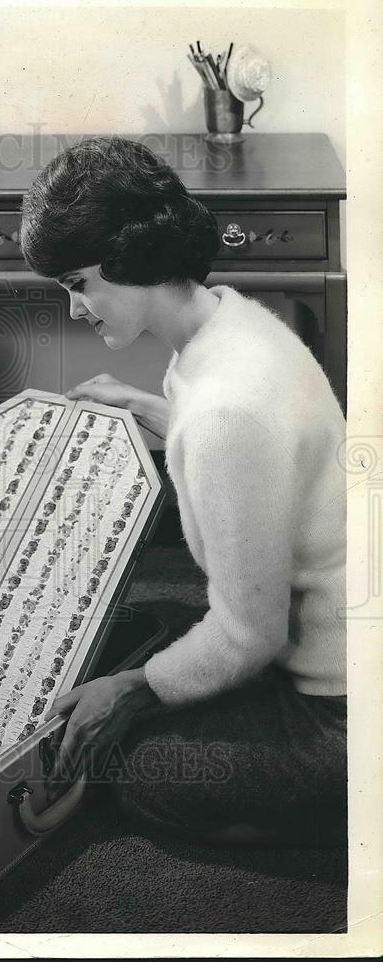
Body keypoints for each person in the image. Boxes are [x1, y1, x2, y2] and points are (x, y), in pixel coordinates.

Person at [19, 136, 347, 847]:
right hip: (341, 629)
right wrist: (147, 407)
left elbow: (247, 637)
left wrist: (129, 691)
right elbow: (254, 454)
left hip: (344, 702)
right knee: (162, 646)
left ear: (132, 258)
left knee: (146, 776)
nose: (77, 310)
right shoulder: (232, 325)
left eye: (77, 284)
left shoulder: (222, 409)